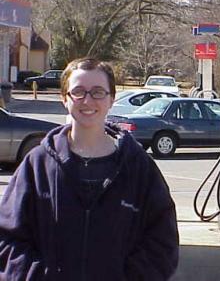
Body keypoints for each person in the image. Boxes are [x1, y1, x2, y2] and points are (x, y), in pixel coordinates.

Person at [0, 57, 179, 280]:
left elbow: (163, 242)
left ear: (112, 98)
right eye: (78, 91)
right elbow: (7, 237)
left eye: (97, 92)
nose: (87, 100)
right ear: (64, 99)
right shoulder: (37, 165)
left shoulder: (139, 167)